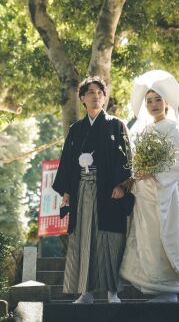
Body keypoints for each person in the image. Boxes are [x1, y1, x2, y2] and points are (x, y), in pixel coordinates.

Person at [52, 76, 132, 304]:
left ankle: (112, 291)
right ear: (82, 99)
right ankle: (85, 292)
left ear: (104, 97)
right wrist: (67, 191)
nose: (96, 96)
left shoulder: (116, 125)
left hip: (108, 189)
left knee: (110, 239)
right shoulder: (76, 129)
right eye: (90, 92)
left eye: (99, 92)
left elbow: (125, 157)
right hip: (81, 188)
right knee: (83, 238)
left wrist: (121, 184)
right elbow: (67, 161)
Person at [120, 72, 179, 303]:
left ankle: (167, 288)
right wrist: (135, 174)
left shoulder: (172, 129)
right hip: (143, 192)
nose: (153, 105)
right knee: (144, 237)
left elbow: (178, 159)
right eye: (148, 101)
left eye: (157, 99)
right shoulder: (143, 130)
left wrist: (154, 173)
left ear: (166, 102)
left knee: (161, 236)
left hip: (162, 194)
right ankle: (148, 285)